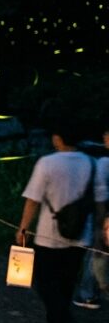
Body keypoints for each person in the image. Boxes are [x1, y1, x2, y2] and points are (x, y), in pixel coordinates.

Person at [18, 124, 94, 323]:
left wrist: (23, 227)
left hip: (49, 234)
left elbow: (33, 198)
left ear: (57, 138)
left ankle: (66, 322)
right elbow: (98, 200)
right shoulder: (90, 162)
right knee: (67, 280)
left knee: (42, 279)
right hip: (81, 233)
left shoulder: (48, 163)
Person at [75, 127, 109, 308]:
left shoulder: (104, 162)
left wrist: (100, 219)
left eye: (107, 134)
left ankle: (88, 294)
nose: (104, 136)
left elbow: (100, 195)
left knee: (95, 253)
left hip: (103, 216)